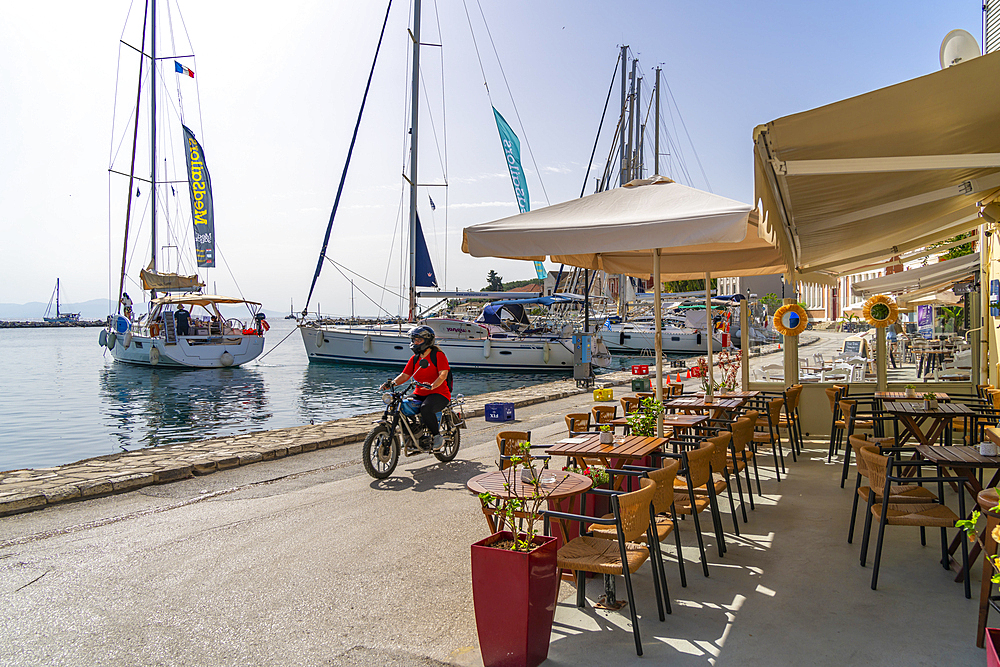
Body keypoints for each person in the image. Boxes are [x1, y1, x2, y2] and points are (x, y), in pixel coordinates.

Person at [380, 325, 451, 451]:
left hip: (439, 393)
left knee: (426, 408)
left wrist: (433, 385)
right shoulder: (415, 359)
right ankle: (410, 435)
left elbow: (443, 374)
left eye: (419, 340)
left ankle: (436, 436)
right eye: (414, 340)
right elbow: (405, 375)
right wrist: (391, 384)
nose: (415, 343)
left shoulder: (438, 355)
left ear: (427, 341)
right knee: (400, 405)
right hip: (419, 392)